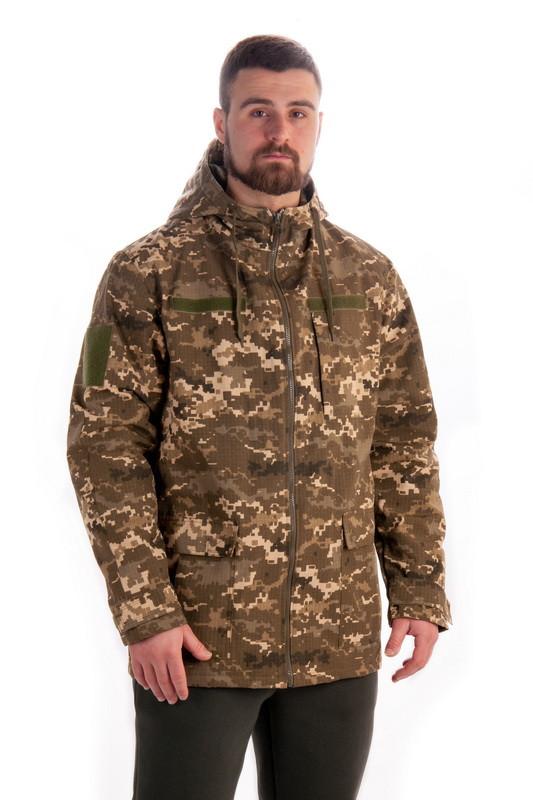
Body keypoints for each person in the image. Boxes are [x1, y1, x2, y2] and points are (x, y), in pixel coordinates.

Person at [66, 34, 452, 800]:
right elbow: (104, 447)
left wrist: (418, 591)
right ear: (222, 122)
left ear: (318, 124)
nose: (279, 130)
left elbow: (403, 441)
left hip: (337, 633)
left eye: (297, 112)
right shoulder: (148, 272)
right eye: (258, 111)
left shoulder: (367, 277)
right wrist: (146, 612)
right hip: (197, 635)